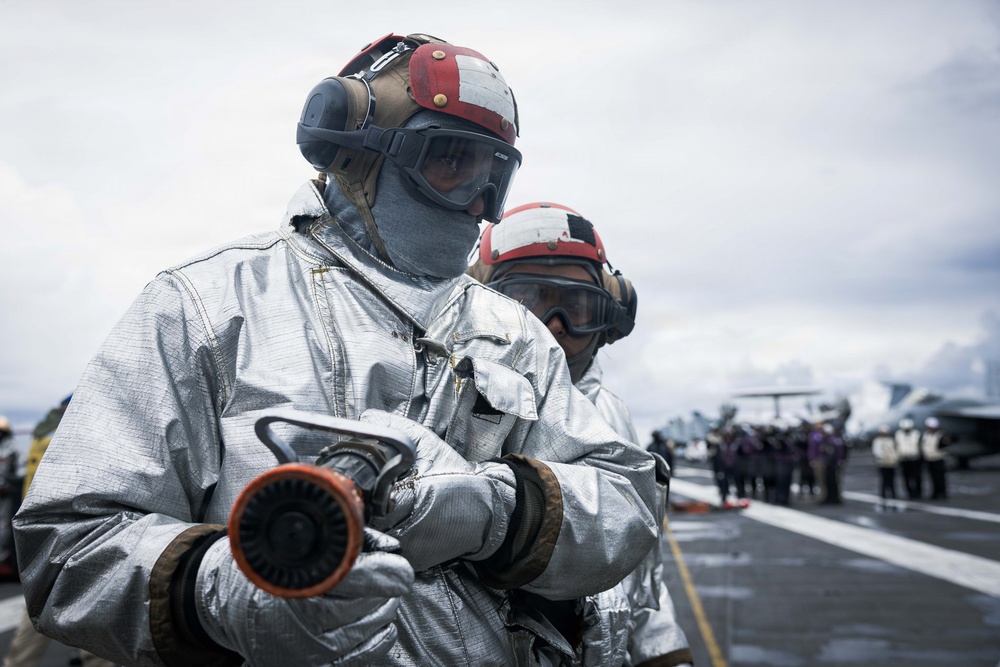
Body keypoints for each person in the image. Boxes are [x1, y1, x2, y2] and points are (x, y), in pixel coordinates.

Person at [13, 34, 657, 667]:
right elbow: (67, 545)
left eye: (493, 177)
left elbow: (625, 503)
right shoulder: (204, 306)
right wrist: (226, 595)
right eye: (451, 161)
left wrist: (494, 511)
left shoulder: (515, 335)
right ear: (355, 151)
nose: (477, 204)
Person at [469, 201, 694, 667]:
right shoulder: (461, 403)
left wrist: (663, 649)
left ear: (609, 316)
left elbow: (641, 572)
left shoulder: (613, 415)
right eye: (527, 303)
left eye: (575, 306)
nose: (552, 328)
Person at [3, 397, 115, 667]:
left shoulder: (43, 434)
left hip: (44, 536)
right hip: (80, 534)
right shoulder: (85, 434)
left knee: (38, 613)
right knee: (92, 613)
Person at [920, 417, 949, 500]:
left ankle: (942, 493)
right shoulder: (926, 435)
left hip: (939, 458)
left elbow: (945, 445)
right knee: (932, 477)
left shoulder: (941, 435)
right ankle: (935, 493)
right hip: (929, 459)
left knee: (941, 477)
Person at [870, 424, 899, 506]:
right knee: (883, 479)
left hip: (891, 462)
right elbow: (877, 451)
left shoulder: (891, 440)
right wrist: (881, 458)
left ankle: (893, 493)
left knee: (892, 479)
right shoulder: (877, 441)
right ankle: (883, 494)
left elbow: (895, 450)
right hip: (882, 463)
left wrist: (895, 458)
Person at [894, 418, 922, 500]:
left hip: (915, 459)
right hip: (904, 459)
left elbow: (920, 446)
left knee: (917, 477)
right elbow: (896, 446)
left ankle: (918, 492)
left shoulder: (916, 434)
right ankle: (909, 493)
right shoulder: (898, 434)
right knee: (906, 477)